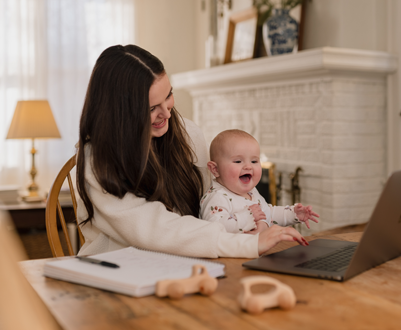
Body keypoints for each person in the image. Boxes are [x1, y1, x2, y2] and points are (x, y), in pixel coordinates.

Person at [75, 44, 307, 258]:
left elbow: (213, 202)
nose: (166, 114)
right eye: (152, 108)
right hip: (114, 269)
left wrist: (254, 226)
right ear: (121, 113)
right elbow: (157, 229)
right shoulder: (98, 159)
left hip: (180, 261)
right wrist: (246, 244)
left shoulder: (187, 134)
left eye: (168, 96)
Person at [200, 129, 319, 235]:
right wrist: (248, 216)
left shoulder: (252, 192)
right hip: (232, 258)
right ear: (215, 169)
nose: (248, 166)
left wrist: (293, 214)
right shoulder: (218, 197)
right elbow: (214, 229)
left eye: (254, 161)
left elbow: (268, 213)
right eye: (238, 161)